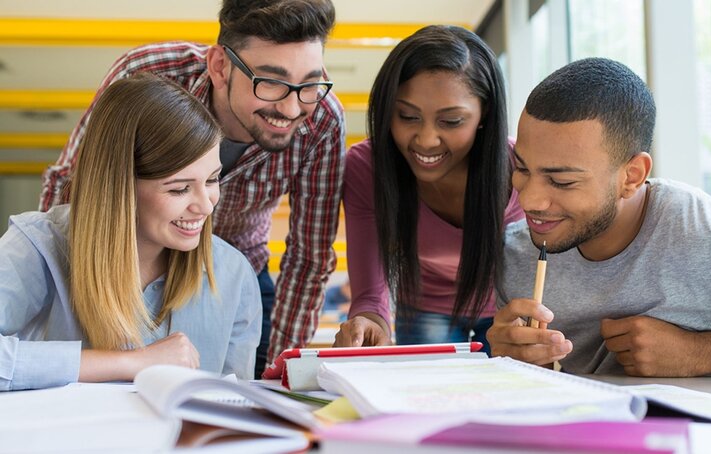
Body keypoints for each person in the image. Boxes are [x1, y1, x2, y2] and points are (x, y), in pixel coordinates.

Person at [39, 0, 345, 377]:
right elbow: (74, 184)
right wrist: (53, 272)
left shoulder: (324, 119)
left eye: (309, 84)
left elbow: (309, 255)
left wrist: (281, 368)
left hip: (238, 272)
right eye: (271, 83)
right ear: (219, 66)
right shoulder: (149, 73)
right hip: (122, 265)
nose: (293, 107)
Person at [488, 57, 711, 377]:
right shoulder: (513, 256)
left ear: (632, 176)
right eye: (523, 169)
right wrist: (507, 361)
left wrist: (705, 354)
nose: (529, 200)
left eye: (562, 181)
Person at [0, 74, 261, 391]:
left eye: (211, 180)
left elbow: (235, 408)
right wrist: (132, 362)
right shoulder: (38, 246)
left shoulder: (234, 273)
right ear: (119, 188)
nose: (205, 206)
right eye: (179, 189)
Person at [333, 25, 523, 353]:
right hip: (424, 306)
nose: (426, 140)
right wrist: (370, 321)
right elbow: (369, 294)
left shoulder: (521, 167)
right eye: (407, 116)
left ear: (485, 112)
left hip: (509, 309)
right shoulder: (367, 167)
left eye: (450, 121)